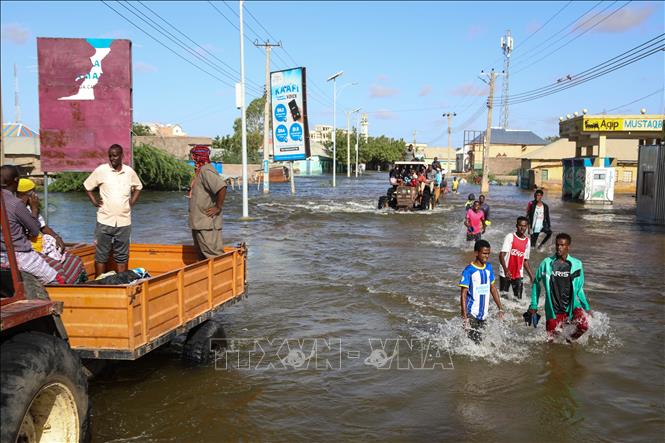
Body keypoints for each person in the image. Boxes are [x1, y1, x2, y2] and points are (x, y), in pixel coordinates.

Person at [84, 144, 143, 276]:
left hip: (124, 222)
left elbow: (139, 187)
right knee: (101, 256)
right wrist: (94, 201)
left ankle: (121, 284)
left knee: (122, 257)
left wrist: (131, 202)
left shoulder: (129, 172)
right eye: (110, 156)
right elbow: (87, 186)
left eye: (115, 155)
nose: (112, 158)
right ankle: (100, 283)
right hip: (104, 220)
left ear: (122, 156)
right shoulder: (101, 170)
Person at [16, 178, 87, 284]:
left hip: (41, 246)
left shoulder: (29, 207)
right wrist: (34, 210)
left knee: (74, 259)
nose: (36, 196)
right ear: (24, 194)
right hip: (28, 251)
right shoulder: (18, 209)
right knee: (57, 267)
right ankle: (62, 291)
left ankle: (74, 288)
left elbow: (43, 227)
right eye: (32, 193)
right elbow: (33, 231)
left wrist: (57, 237)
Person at [0, 165, 62, 285]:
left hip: (2, 254)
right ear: (16, 180)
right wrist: (34, 209)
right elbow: (34, 231)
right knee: (56, 280)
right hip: (19, 255)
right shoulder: (16, 204)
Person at [529, 233, 590, 342]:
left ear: (568, 246)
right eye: (557, 245)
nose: (559, 247)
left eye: (562, 245)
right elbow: (536, 283)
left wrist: (587, 307)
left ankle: (569, 340)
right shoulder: (547, 263)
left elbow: (579, 288)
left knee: (583, 326)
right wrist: (534, 304)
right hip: (553, 309)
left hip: (571, 307)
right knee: (551, 341)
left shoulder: (576, 264)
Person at [459, 239, 504, 343]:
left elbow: (492, 288)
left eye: (488, 254)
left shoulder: (489, 267)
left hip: (484, 314)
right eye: (484, 253)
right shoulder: (469, 270)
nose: (486, 256)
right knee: (475, 343)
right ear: (476, 253)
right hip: (472, 314)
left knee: (480, 342)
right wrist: (465, 318)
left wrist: (500, 308)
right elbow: (463, 294)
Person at [189, 145, 227, 259]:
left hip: (207, 222)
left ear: (197, 156)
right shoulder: (200, 171)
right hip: (199, 222)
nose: (192, 158)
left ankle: (221, 276)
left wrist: (218, 207)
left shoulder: (206, 170)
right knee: (202, 256)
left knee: (213, 255)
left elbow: (222, 187)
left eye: (193, 156)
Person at [499, 216, 534, 300]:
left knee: (518, 299)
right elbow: (501, 255)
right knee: (503, 298)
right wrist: (506, 270)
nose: (522, 228)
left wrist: (531, 276)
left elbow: (525, 260)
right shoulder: (510, 237)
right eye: (520, 225)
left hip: (518, 273)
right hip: (505, 273)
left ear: (527, 226)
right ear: (516, 226)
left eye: (524, 226)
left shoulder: (527, 241)